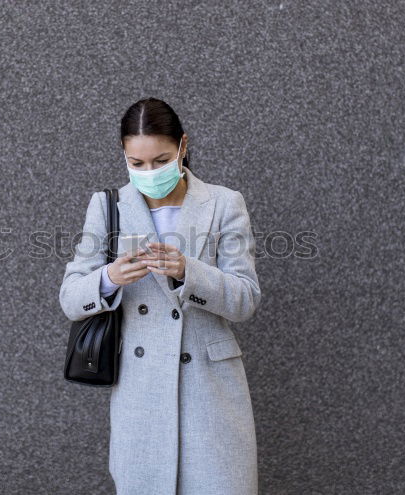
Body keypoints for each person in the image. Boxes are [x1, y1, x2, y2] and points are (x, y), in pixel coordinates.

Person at [59, 97, 261, 494]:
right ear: (124, 156)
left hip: (211, 391)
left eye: (160, 160)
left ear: (183, 147)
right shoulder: (108, 206)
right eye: (137, 164)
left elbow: (245, 298)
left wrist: (190, 271)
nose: (149, 172)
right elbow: (70, 297)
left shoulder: (223, 204)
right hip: (142, 393)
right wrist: (110, 277)